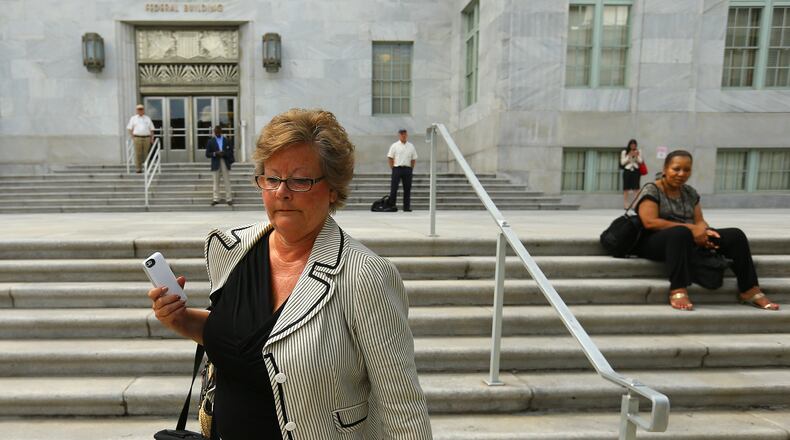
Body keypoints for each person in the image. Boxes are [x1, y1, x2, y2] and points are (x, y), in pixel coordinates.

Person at [147, 109, 432, 439]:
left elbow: (402, 405)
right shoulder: (228, 249)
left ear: (333, 190)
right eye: (272, 178)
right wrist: (181, 319)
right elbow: (243, 339)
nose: (282, 192)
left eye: (300, 180)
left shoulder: (365, 276)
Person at [636, 149, 779, 312]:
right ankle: (678, 289)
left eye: (686, 170)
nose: (681, 174)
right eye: (676, 169)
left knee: (735, 235)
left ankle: (750, 290)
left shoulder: (690, 193)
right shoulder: (652, 190)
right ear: (665, 168)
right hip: (654, 242)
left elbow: (700, 220)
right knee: (680, 233)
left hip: (685, 239)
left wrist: (705, 232)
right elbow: (650, 222)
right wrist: (692, 229)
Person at [387, 129, 418, 212]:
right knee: (394, 188)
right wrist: (392, 168)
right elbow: (390, 157)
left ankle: (406, 207)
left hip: (407, 169)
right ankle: (392, 206)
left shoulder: (411, 146)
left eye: (405, 134)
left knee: (407, 188)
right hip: (397, 168)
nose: (403, 136)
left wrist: (411, 168)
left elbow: (413, 158)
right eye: (401, 134)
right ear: (399, 135)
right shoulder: (394, 145)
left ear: (407, 135)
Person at [205, 125, 235, 206]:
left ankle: (229, 199)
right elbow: (207, 154)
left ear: (221, 132)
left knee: (227, 181)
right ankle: (216, 199)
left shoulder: (226, 140)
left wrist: (224, 153)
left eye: (218, 132)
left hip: (224, 162)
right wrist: (215, 153)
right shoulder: (210, 141)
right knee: (216, 182)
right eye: (216, 132)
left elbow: (231, 152)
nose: (217, 133)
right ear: (214, 132)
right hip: (215, 163)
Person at [126, 104, 155, 173]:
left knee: (146, 153)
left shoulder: (147, 118)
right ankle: (138, 169)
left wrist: (152, 138)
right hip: (137, 138)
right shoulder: (133, 118)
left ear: (143, 110)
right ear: (136, 110)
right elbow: (130, 128)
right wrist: (133, 137)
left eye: (141, 109)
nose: (140, 110)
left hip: (147, 138)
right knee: (138, 154)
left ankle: (147, 168)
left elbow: (151, 129)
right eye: (139, 109)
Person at [621, 139, 643, 209]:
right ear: (629, 145)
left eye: (634, 145)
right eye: (631, 145)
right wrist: (629, 156)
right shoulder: (624, 152)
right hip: (627, 170)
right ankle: (625, 204)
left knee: (636, 188)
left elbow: (641, 161)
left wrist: (636, 156)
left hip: (636, 170)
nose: (633, 146)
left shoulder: (639, 151)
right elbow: (622, 163)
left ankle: (635, 204)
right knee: (626, 188)